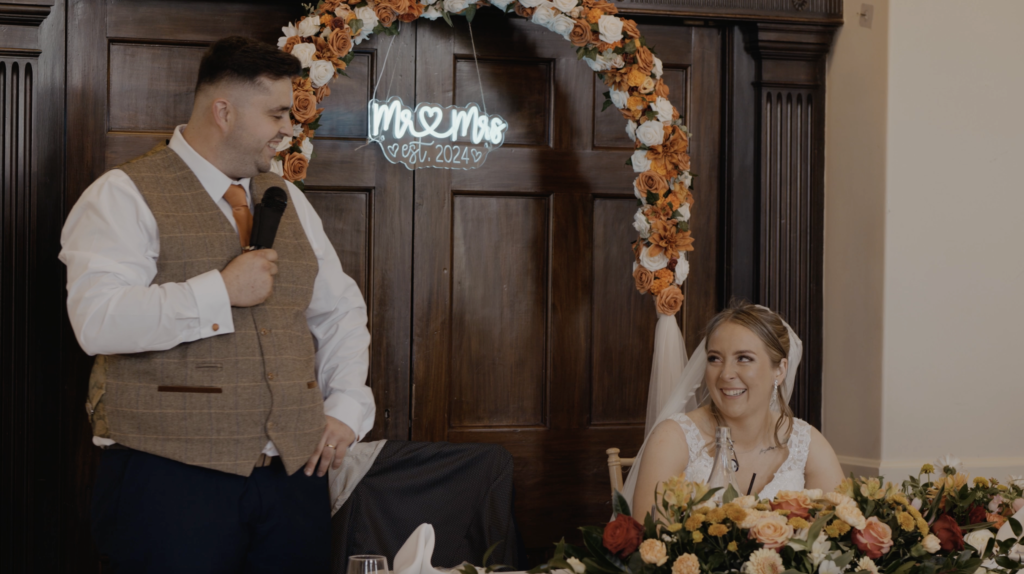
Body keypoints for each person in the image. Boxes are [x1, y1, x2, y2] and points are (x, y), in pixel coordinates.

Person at [59, 36, 373, 573]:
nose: (287, 128)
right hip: (169, 482)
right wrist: (218, 291)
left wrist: (347, 406)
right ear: (223, 111)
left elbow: (339, 309)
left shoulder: (287, 197)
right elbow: (98, 321)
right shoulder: (122, 194)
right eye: (276, 112)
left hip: (292, 481)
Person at [625, 303, 845, 519]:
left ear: (779, 370)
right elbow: (650, 540)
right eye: (715, 358)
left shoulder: (806, 443)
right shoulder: (672, 438)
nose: (726, 373)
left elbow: (841, 535)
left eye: (744, 358)